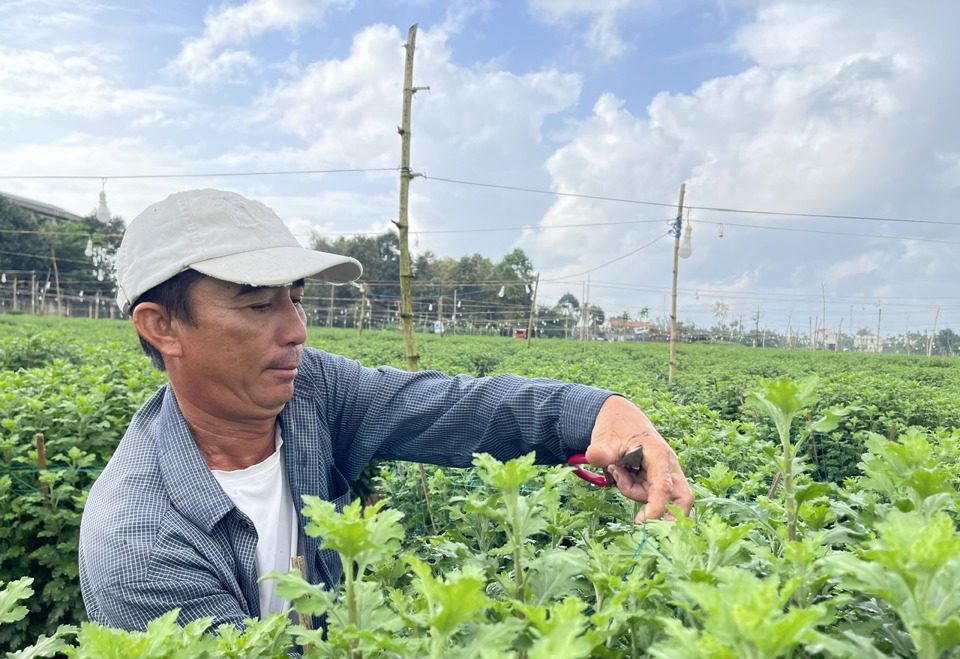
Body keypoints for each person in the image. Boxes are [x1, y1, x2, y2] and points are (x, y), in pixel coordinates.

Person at [78, 188, 693, 632]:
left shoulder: (309, 392)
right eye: (256, 305)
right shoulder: (136, 543)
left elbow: (458, 406)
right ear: (162, 327)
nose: (297, 331)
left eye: (295, 299)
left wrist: (601, 413)